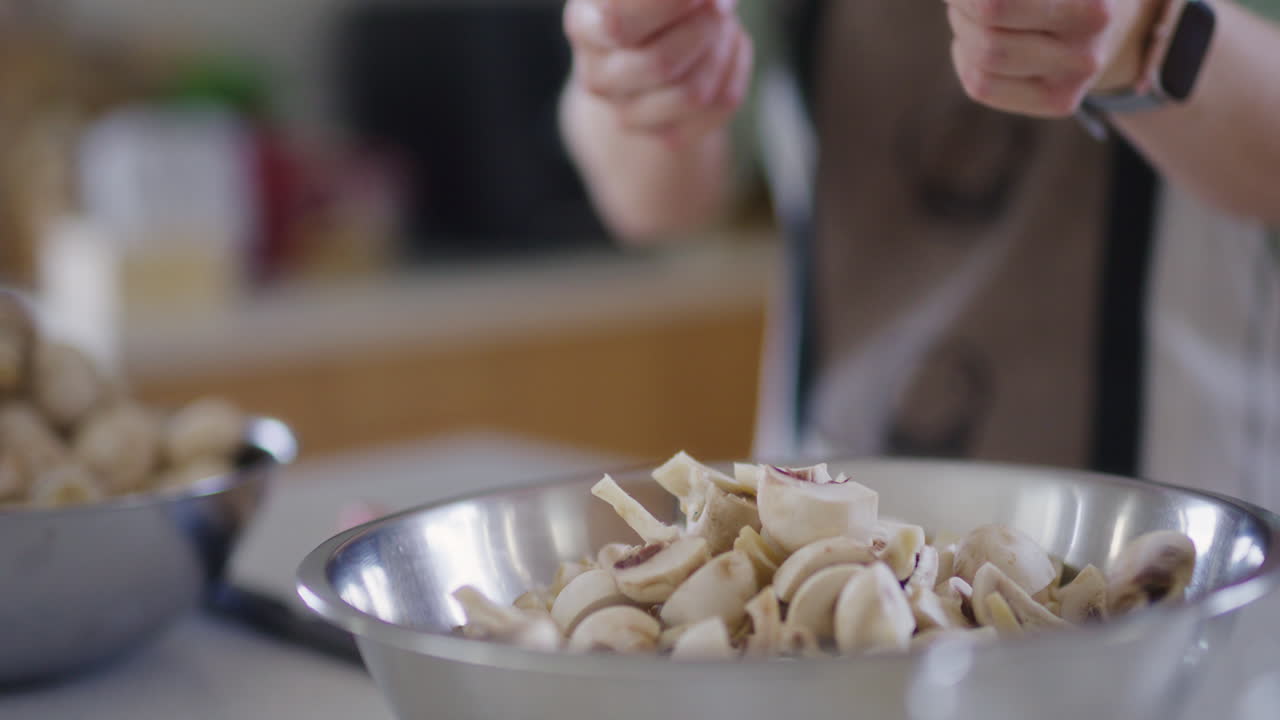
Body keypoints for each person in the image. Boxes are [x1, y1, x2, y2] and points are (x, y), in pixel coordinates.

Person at [558, 0, 1280, 510]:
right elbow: (655, 201)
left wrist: (1152, 35)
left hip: (1180, 520)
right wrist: (640, 65)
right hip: (826, 525)